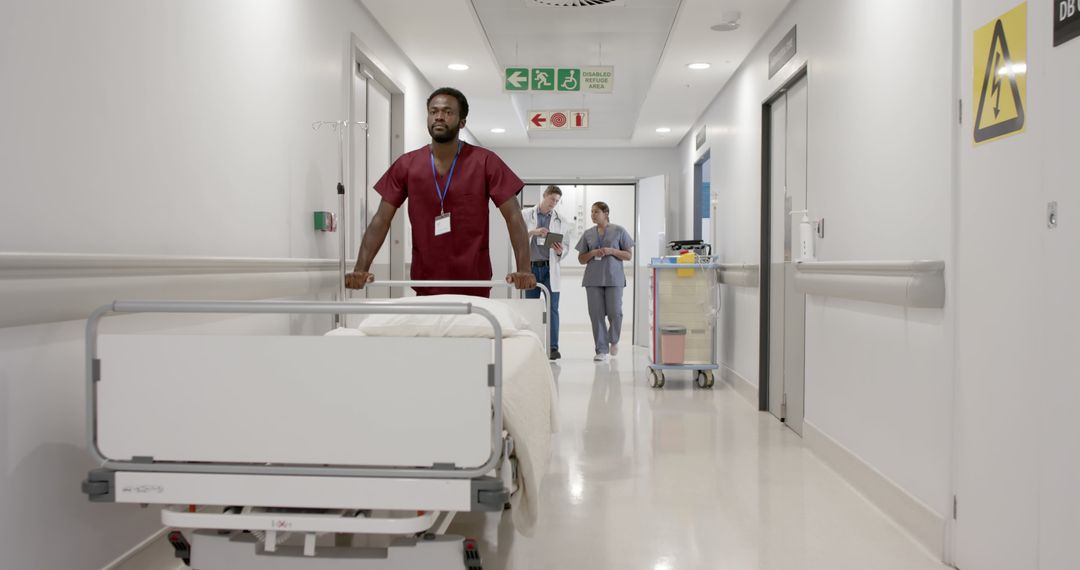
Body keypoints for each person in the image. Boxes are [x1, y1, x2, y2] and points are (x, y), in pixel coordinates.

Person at [344, 87, 536, 297]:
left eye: (448, 112)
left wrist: (524, 269)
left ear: (462, 122)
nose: (439, 117)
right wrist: (361, 268)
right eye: (433, 111)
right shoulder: (407, 165)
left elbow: (514, 216)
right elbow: (381, 219)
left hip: (473, 281)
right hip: (426, 279)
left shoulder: (485, 162)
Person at [575, 201, 634, 362]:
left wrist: (612, 251)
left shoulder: (619, 231)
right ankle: (601, 349)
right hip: (593, 279)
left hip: (614, 278)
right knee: (596, 315)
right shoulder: (588, 234)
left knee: (616, 312)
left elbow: (628, 255)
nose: (593, 215)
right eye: (591, 212)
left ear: (606, 213)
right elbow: (581, 259)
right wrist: (593, 253)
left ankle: (613, 340)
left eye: (596, 212)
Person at [522, 185, 568, 360]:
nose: (553, 204)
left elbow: (567, 246)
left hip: (550, 268)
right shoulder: (526, 214)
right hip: (531, 268)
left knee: (553, 309)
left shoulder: (561, 220)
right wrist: (534, 232)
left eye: (557, 201)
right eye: (552, 200)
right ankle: (531, 344)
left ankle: (553, 347)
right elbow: (517, 237)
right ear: (544, 195)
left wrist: (559, 251)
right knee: (531, 308)